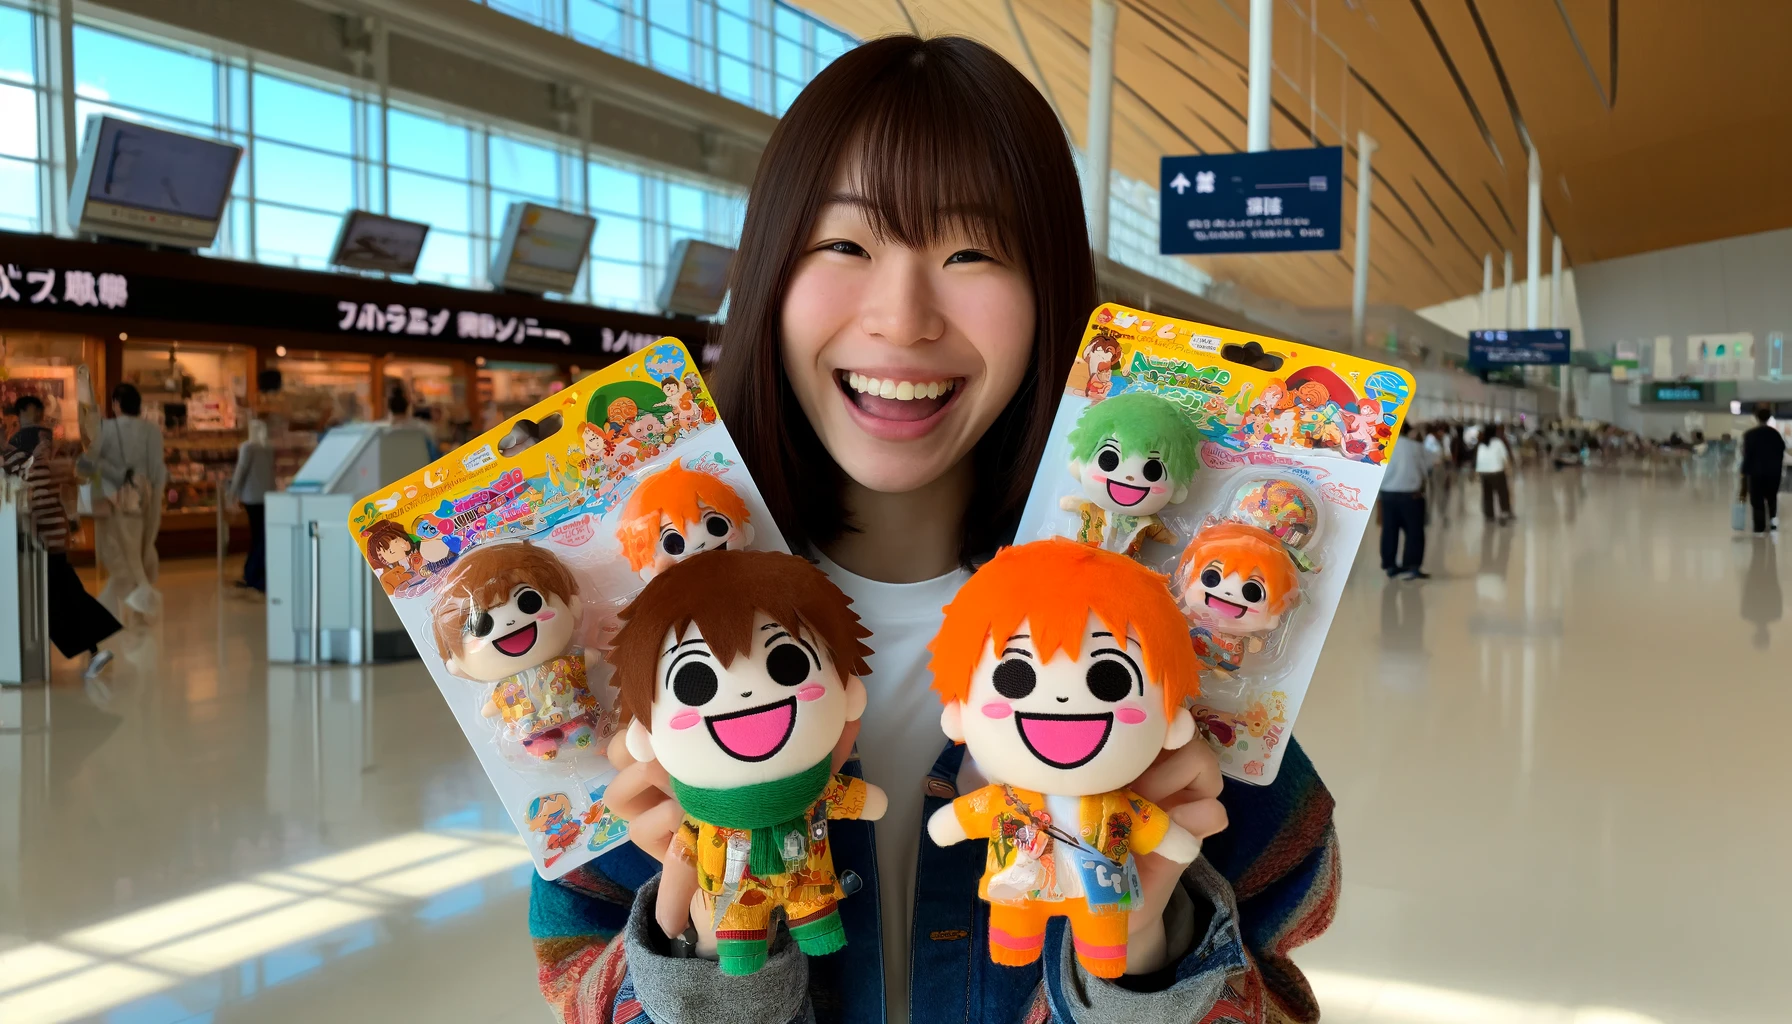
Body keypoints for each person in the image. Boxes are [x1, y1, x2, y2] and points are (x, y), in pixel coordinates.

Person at [531, 35, 1339, 1024]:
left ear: (1048, 294)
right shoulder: (643, 656)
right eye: (845, 244)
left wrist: (1143, 953)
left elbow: (1282, 980)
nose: (902, 317)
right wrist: (699, 930)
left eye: (971, 251)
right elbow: (578, 979)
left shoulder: (1172, 649)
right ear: (772, 272)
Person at [4, 403, 121, 678]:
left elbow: (37, 486)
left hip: (40, 540)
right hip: (37, 539)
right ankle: (91, 650)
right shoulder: (26, 452)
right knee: (62, 595)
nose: (10, 428)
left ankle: (90, 650)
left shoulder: (30, 451)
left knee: (61, 596)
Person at [84, 382, 166, 620]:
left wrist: (114, 473)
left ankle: (142, 602)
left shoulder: (105, 428)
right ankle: (120, 608)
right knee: (137, 551)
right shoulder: (151, 430)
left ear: (117, 404)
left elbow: (91, 462)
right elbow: (158, 469)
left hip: (115, 498)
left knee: (123, 556)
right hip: (144, 497)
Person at [1380, 421, 1431, 579]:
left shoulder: (1383, 447)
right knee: (1414, 531)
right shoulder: (1415, 447)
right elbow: (1425, 470)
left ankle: (1390, 566)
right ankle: (1412, 566)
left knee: (1389, 530)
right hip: (1411, 496)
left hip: (1388, 495)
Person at [229, 418, 275, 592]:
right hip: (267, 497)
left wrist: (232, 494)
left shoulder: (247, 448)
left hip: (251, 498)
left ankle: (252, 574)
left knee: (256, 535)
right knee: (262, 536)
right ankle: (258, 573)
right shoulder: (268, 448)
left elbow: (240, 471)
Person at [1740, 405, 1786, 536]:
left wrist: (1744, 471)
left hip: (1755, 472)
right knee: (1772, 498)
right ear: (1769, 418)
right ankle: (1772, 522)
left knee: (1756, 499)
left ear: (1756, 418)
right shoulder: (1775, 434)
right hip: (1773, 472)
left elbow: (1747, 454)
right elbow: (1780, 452)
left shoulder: (1750, 435)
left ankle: (1759, 526)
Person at [1476, 423, 1514, 524]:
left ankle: (1489, 515)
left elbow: (1479, 460)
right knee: (1502, 493)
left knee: (1487, 494)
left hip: (1484, 473)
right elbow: (1505, 458)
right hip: (1497, 472)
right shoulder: (1498, 442)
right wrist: (1509, 470)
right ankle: (1504, 512)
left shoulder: (1481, 444)